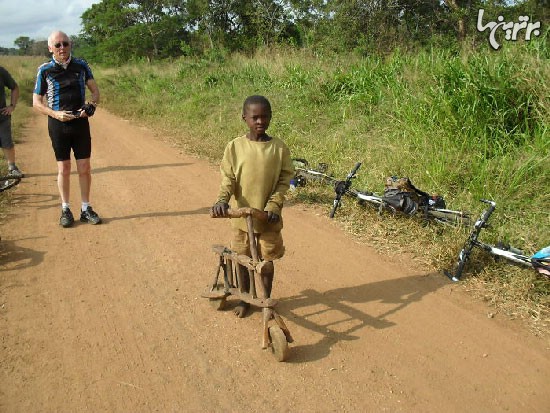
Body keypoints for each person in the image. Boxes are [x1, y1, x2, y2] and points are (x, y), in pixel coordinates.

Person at [211, 95, 294, 317]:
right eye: (254, 117)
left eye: (264, 117)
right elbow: (228, 179)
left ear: (270, 117)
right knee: (243, 258)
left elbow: (284, 180)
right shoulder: (235, 147)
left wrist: (274, 206)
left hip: (268, 219)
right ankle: (245, 298)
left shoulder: (278, 148)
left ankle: (265, 300)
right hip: (241, 219)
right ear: (244, 118)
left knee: (266, 262)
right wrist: (222, 200)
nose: (260, 121)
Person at [33, 31, 101, 228]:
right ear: (50, 48)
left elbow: (95, 91)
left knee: (85, 167)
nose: (62, 48)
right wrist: (55, 114)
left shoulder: (81, 65)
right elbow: (36, 102)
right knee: (64, 168)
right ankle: (65, 209)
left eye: (65, 44)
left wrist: (91, 105)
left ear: (70, 45)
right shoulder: (44, 70)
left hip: (80, 121)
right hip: (58, 123)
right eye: (57, 45)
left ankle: (86, 208)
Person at [0, 66, 23, 178]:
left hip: (2, 116)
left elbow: (14, 87)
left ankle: (12, 168)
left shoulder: (1, 71)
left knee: (6, 143)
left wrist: (12, 106)